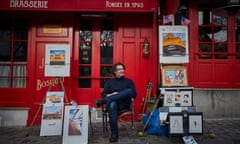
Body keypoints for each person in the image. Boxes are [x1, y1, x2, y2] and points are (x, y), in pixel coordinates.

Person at [95, 62, 137, 143]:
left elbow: (134, 95)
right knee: (112, 103)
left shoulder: (129, 81)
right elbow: (103, 94)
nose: (122, 71)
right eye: (119, 69)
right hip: (113, 106)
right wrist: (111, 94)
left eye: (123, 69)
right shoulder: (109, 82)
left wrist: (117, 95)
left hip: (124, 104)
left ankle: (104, 101)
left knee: (129, 90)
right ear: (114, 72)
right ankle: (114, 134)